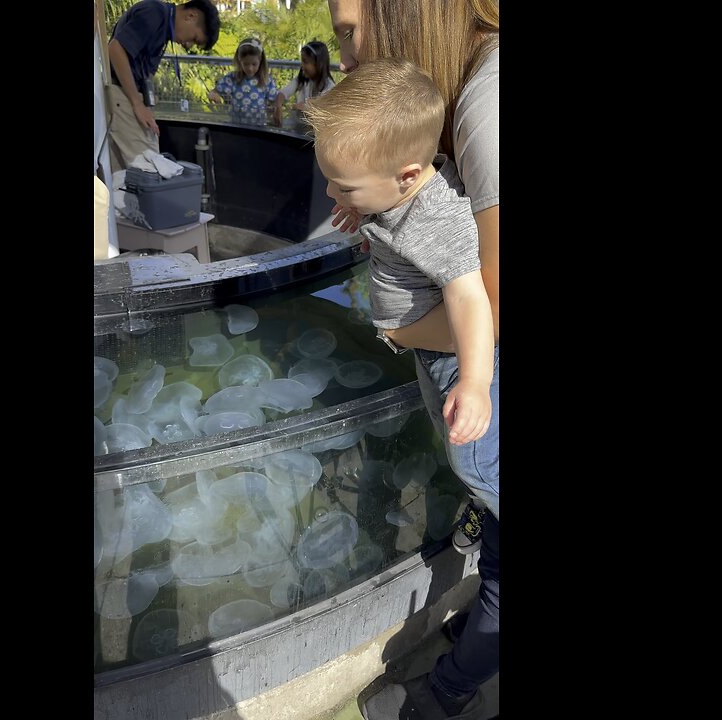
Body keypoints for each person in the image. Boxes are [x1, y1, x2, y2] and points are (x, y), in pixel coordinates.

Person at [305, 61, 497, 720]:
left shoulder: (433, 220)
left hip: (454, 366)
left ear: (408, 178)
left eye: (344, 184)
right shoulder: (397, 194)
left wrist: (474, 383)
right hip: (427, 352)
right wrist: (360, 202)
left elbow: (472, 301)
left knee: (471, 459)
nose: (332, 191)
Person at [106, 0, 220, 171]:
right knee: (151, 167)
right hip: (123, 94)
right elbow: (115, 49)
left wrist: (147, 104)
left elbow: (147, 75)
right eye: (194, 39)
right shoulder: (155, 13)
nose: (188, 45)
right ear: (191, 15)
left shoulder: (163, 27)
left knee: (122, 175)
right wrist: (137, 103)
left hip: (129, 96)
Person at [207, 39, 279, 127]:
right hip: (236, 126)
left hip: (259, 127)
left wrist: (273, 109)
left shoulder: (267, 80)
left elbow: (275, 101)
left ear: (260, 62)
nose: (250, 68)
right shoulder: (233, 78)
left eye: (254, 64)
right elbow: (215, 91)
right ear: (239, 61)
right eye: (246, 64)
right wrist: (213, 94)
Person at [272, 41, 336, 132]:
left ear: (318, 64)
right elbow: (284, 92)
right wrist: (278, 105)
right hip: (300, 129)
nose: (302, 66)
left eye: (305, 62)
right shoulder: (303, 80)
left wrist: (302, 107)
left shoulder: (329, 87)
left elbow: (322, 110)